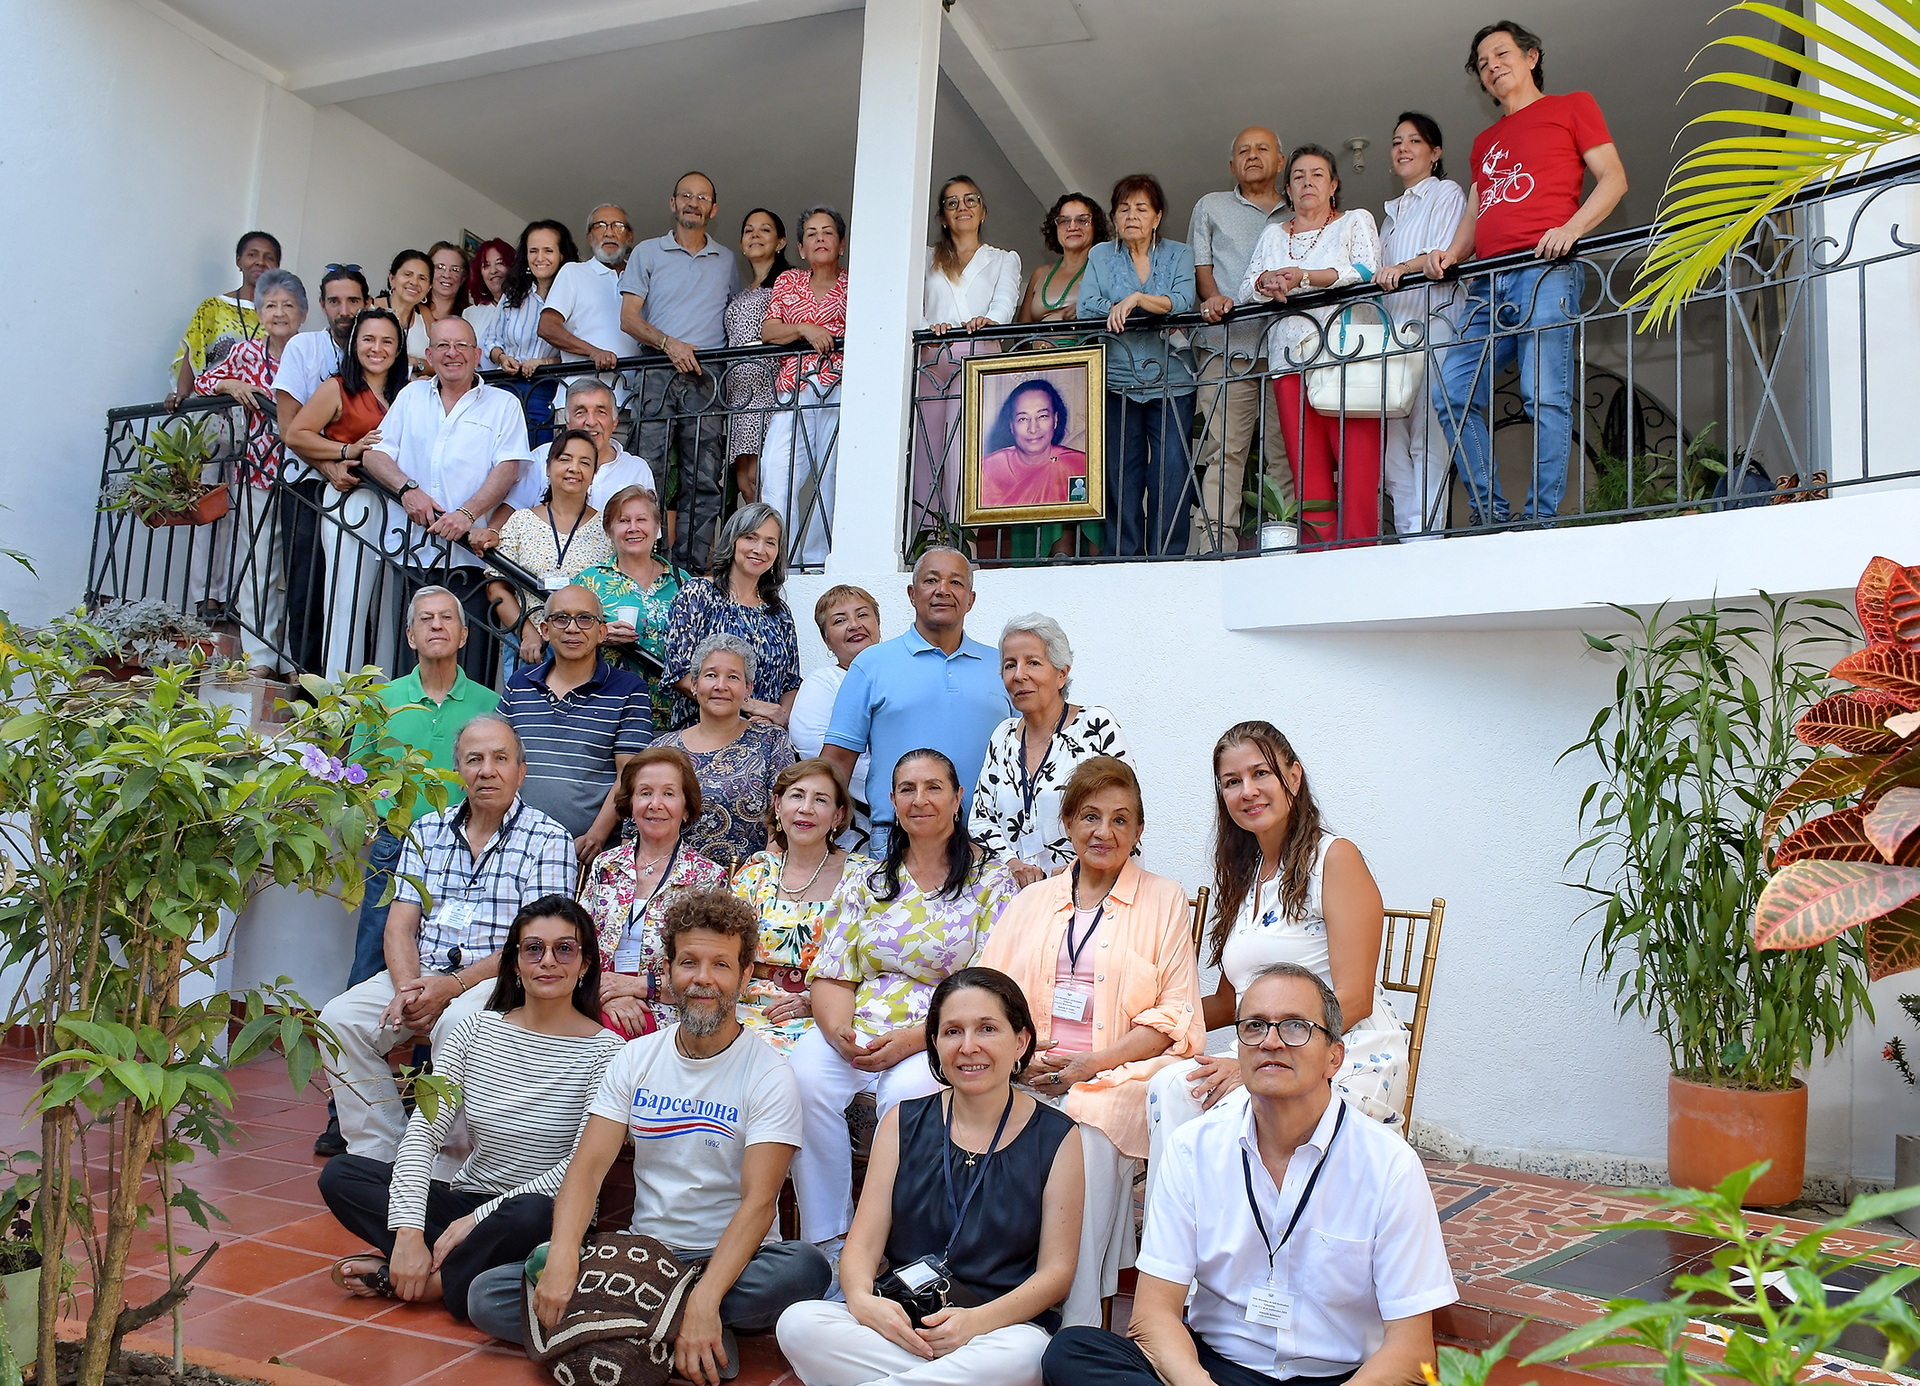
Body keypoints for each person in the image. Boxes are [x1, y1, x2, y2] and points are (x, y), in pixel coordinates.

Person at [1042, 963, 1458, 1386]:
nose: (1272, 1042)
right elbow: (1152, 1315)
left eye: (1295, 1027)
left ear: (1334, 1057)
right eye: (1255, 1026)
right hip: (1214, 1370)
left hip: (1337, 1378)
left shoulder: (1389, 1165)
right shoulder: (1193, 1148)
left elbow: (1411, 1351)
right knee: (1073, 1350)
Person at [480, 889, 832, 1381]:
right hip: (641, 1255)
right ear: (667, 969)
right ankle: (675, 1330)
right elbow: (586, 1170)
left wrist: (708, 1296)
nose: (703, 979)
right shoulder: (636, 1057)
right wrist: (562, 1256)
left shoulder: (769, 1074)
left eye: (721, 965)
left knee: (804, 1270)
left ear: (745, 975)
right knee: (487, 1294)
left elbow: (759, 1203)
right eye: (689, 962)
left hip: (729, 1263)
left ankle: (628, 1324)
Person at [320, 896, 623, 1320]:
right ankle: (447, 1264)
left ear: (586, 963)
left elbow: (578, 1167)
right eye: (533, 948)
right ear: (514, 962)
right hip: (466, 1199)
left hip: (544, 1213)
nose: (548, 961)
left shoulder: (609, 1054)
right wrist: (407, 1229)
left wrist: (479, 1220)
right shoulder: (474, 1030)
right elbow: (424, 1132)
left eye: (564, 949)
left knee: (531, 1216)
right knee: (342, 1174)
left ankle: (429, 1284)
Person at [777, 967, 1084, 1386]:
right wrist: (865, 1303)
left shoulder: (1057, 1136)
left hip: (994, 1330)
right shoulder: (903, 1122)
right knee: (797, 1323)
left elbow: (1056, 1273)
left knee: (1029, 1355)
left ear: (1021, 1041)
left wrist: (975, 1323)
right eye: (952, 1032)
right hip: (904, 1322)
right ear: (935, 1044)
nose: (968, 1046)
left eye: (987, 1029)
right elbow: (863, 1245)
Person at [982, 757, 1201, 1327]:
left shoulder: (1164, 898)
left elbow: (1176, 1013)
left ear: (1139, 830)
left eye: (1121, 820)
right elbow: (989, 993)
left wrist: (1091, 1064)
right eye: (1090, 817)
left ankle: (1076, 1327)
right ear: (1068, 822)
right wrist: (1016, 1060)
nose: (1105, 832)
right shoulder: (1032, 901)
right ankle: (990, 1294)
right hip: (1029, 1069)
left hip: (1117, 1074)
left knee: (1087, 1128)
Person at [1146, 721, 1410, 1177]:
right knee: (1172, 1084)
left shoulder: (1334, 858)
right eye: (1232, 782)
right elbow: (1230, 1003)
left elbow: (1355, 998)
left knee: (1237, 1107)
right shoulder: (1243, 879)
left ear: (1293, 776)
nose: (1247, 791)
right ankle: (1187, 1237)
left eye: (1260, 773)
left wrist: (1260, 1058)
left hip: (1342, 1046)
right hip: (1268, 1043)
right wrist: (1144, 1024)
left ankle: (1254, 1232)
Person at [787, 749, 1021, 1256]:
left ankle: (889, 1245)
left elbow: (988, 982)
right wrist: (837, 1034)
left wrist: (915, 1041)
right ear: (891, 800)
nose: (921, 800)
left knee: (912, 1097)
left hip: (942, 1035)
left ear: (958, 799)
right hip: (858, 1029)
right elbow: (831, 971)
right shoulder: (865, 879)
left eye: (934, 787)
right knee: (803, 1078)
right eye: (907, 789)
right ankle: (827, 1241)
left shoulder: (990, 881)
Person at [317, 717, 575, 1162]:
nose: (486, 770)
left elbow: (537, 945)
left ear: (522, 770)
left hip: (501, 980)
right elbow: (399, 925)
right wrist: (409, 989)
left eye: (500, 758)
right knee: (339, 1020)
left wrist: (452, 989)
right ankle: (379, 1153)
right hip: (422, 974)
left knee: (459, 1026)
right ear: (459, 770)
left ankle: (446, 1165)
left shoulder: (549, 839)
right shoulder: (426, 831)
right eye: (474, 760)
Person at [1423, 21, 1627, 526]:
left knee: (1544, 397)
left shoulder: (1571, 106)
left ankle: (1539, 519)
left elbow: (1615, 178)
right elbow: (1477, 211)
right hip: (1487, 283)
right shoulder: (1484, 141)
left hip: (1544, 270)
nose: (1492, 66)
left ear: (1531, 57)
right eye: (1483, 64)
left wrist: (1573, 228)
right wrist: (1451, 253)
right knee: (1450, 392)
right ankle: (1492, 513)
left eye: (1502, 54)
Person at [359, 314, 535, 684]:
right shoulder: (410, 396)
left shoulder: (502, 404)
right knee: (410, 658)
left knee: (466, 666)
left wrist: (468, 514)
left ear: (477, 354)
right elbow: (375, 454)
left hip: (470, 558)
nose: (452, 353)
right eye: (442, 346)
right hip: (410, 552)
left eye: (461, 346)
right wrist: (407, 490)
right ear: (429, 353)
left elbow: (509, 468)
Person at [1239, 145, 1387, 546]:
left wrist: (1304, 276)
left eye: (1318, 174)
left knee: (1357, 462)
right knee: (1307, 467)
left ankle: (1360, 550)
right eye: (1300, 176)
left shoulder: (1355, 221)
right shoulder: (1273, 234)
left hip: (1346, 355)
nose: (1308, 182)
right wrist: (1266, 284)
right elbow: (1245, 288)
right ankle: (1321, 554)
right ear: (1287, 188)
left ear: (1334, 185)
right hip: (1288, 359)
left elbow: (1365, 269)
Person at [822, 548, 1009, 857]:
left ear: (971, 599)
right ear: (911, 593)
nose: (943, 591)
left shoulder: (1002, 666)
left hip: (985, 841)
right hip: (897, 840)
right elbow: (836, 763)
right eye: (931, 580)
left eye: (956, 583)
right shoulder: (871, 664)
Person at [620, 172, 742, 570]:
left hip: (707, 377)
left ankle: (688, 571)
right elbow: (629, 319)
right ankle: (647, 561)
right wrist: (668, 344)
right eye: (686, 196)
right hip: (656, 370)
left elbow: (734, 319)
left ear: (714, 209)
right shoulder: (647, 252)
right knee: (647, 471)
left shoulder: (726, 260)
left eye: (702, 197)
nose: (693, 202)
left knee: (704, 477)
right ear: (673, 203)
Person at [190, 267, 307, 678]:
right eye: (270, 305)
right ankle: (260, 656)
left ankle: (293, 656)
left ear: (303, 314)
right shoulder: (246, 353)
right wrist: (231, 386)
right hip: (259, 470)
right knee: (258, 562)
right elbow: (204, 380)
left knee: (296, 568)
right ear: (259, 313)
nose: (279, 313)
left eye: (288, 305)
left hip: (304, 476)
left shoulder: (315, 354)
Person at [283, 307, 409, 678]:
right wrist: (344, 451)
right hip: (351, 504)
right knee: (346, 601)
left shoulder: (408, 393)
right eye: (368, 339)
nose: (377, 348)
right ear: (354, 343)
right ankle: (337, 701)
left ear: (399, 349)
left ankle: (382, 699)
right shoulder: (337, 387)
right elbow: (296, 434)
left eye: (387, 341)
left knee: (389, 608)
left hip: (395, 510)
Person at [1079, 174, 1198, 558]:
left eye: (1141, 208)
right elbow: (1087, 307)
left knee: (1170, 473)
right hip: (1116, 382)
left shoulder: (1179, 253)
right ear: (1114, 216)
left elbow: (1182, 301)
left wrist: (1136, 299)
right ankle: (1123, 557)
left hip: (1173, 381)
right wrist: (1123, 306)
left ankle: (1168, 556)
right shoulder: (1100, 255)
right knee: (1120, 474)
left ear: (1157, 217)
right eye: (1124, 208)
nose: (1132, 216)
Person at [969, 614, 1132, 886]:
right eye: (1010, 665)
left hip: (1086, 891)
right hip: (1016, 897)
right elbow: (979, 821)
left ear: (1061, 673)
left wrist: (1077, 870)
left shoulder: (1095, 727)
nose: (1019, 674)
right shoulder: (1003, 736)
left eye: (1033, 662)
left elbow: (1124, 816)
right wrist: (1013, 864)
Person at [1189, 127, 1293, 552]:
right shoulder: (1210, 206)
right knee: (1224, 452)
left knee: (1285, 453)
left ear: (1281, 161)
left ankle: (1284, 542)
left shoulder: (1298, 210)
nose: (1253, 156)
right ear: (1232, 164)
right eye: (1243, 151)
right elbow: (1202, 265)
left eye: (1262, 148)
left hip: (1285, 350)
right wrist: (1212, 297)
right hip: (1224, 348)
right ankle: (1217, 546)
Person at [581, 746, 730, 1037]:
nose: (655, 804)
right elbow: (577, 945)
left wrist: (639, 986)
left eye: (669, 794)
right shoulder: (606, 865)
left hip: (664, 1009)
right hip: (594, 995)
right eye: (645, 792)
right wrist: (604, 993)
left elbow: (712, 974)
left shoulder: (707, 879)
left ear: (686, 807)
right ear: (630, 803)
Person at [501, 583, 654, 864]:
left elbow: (629, 773)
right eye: (561, 618)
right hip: (514, 843)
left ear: (602, 632)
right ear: (545, 630)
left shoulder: (629, 690)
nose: (573, 628)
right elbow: (499, 759)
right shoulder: (519, 685)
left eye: (585, 618)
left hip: (586, 849)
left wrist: (596, 835)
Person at [731, 758, 870, 1053]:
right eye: (797, 795)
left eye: (820, 800)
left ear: (838, 815)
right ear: (778, 805)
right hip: (741, 1008)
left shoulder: (864, 878)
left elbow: (876, 963)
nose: (806, 808)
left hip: (822, 1019)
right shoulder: (756, 872)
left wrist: (814, 1003)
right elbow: (722, 950)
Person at [274, 265, 372, 677]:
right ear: (321, 306)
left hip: (363, 491)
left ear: (366, 304)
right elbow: (288, 427)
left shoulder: (375, 349)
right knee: (307, 583)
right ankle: (306, 676)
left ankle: (353, 678)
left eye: (352, 301)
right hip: (306, 484)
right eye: (335, 301)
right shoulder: (303, 348)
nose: (344, 310)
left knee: (354, 591)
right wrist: (329, 466)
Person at [1376, 114, 1470, 539]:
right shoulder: (1389, 216)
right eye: (1397, 142)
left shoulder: (1446, 193)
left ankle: (1425, 540)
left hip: (1434, 327)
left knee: (1428, 439)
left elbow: (1444, 253)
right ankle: (1410, 534)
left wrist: (1402, 267)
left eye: (1415, 141)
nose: (1403, 148)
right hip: (1394, 337)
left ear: (1435, 153)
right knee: (1390, 447)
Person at [914, 176, 1023, 532]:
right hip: (931, 358)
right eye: (952, 202)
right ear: (943, 216)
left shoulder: (1003, 259)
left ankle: (965, 536)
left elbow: (1005, 303)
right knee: (925, 450)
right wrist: (929, 324)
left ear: (983, 211)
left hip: (978, 360)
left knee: (967, 449)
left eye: (971, 199)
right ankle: (927, 534)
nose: (962, 207)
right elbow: (909, 306)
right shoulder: (925, 258)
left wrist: (988, 320)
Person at [654, 634, 798, 870]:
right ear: (694, 683)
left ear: (747, 688)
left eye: (733, 677)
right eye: (711, 675)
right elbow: (634, 826)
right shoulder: (662, 749)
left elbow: (784, 816)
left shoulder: (771, 740)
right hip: (670, 884)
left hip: (745, 885)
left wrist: (760, 879)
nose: (721, 686)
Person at [759, 205, 849, 568]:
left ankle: (815, 560)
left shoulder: (854, 285)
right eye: (811, 233)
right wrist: (804, 329)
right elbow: (769, 331)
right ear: (800, 247)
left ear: (840, 244)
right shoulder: (788, 281)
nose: (820, 239)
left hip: (841, 391)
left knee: (832, 478)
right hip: (794, 390)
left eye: (827, 232)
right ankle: (781, 560)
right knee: (777, 472)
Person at [661, 502, 803, 729]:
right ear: (732, 541)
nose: (759, 549)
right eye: (750, 538)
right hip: (703, 732)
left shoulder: (779, 612)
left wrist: (776, 717)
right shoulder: (698, 594)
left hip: (763, 735)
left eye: (770, 542)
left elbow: (790, 682)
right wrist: (750, 705)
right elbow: (679, 672)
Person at [480, 429, 613, 668]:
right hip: (531, 650)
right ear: (548, 468)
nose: (574, 468)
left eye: (585, 462)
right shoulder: (521, 522)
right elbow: (497, 588)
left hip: (586, 652)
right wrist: (527, 633)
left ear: (593, 474)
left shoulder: (607, 530)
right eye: (565, 459)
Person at [578, 483, 687, 724]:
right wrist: (600, 635)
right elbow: (564, 638)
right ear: (609, 530)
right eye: (624, 521)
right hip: (607, 711)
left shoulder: (683, 582)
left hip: (676, 715)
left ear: (657, 527)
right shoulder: (588, 581)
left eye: (642, 519)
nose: (633, 528)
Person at [788, 585, 878, 821]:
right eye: (840, 620)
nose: (854, 625)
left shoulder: (902, 675)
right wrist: (891, 787)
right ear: (827, 640)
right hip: (858, 819)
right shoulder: (822, 683)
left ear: (877, 625)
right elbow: (816, 750)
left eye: (862, 615)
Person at [722, 207, 793, 503]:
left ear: (780, 242)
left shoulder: (789, 283)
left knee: (763, 476)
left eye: (765, 229)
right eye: (749, 229)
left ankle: (772, 543)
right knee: (744, 480)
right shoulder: (738, 293)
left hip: (767, 387)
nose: (755, 234)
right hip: (739, 393)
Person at [484, 220, 575, 442]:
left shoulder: (575, 293)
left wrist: (543, 363)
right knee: (500, 450)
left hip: (548, 388)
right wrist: (503, 357)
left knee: (538, 454)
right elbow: (490, 339)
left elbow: (580, 348)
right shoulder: (514, 293)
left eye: (548, 251)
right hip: (508, 385)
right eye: (533, 251)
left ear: (562, 255)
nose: (539, 258)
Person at [539, 203, 640, 400]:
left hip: (631, 403)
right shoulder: (574, 272)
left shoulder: (642, 279)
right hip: (580, 402)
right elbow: (547, 327)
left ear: (629, 236)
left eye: (617, 226)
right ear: (589, 237)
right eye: (600, 226)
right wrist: (593, 352)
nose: (609, 233)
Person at [167, 230, 279, 407]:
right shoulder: (214, 307)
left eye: (269, 258)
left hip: (261, 412)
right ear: (238, 260)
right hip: (214, 406)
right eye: (252, 255)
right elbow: (194, 354)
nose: (260, 262)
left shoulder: (280, 315)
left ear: (277, 267)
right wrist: (180, 396)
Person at [977, 379, 1091, 509]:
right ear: (1011, 425)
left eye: (1042, 416)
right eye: (1023, 419)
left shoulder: (1079, 465)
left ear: (1055, 420)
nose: (1033, 429)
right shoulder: (987, 469)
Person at [563, 376, 656, 511]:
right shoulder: (542, 460)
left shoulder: (636, 469)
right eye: (580, 413)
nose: (591, 421)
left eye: (600, 412)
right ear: (568, 423)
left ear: (614, 423)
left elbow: (649, 528)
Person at [1018, 194, 1107, 326]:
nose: (1072, 227)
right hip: (1038, 346)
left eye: (1082, 220)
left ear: (1096, 226)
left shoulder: (1105, 270)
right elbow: (1019, 335)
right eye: (1064, 221)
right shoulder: (1040, 274)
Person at [375, 249, 435, 371]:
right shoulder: (370, 308)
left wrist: (415, 363)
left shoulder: (425, 315)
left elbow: (438, 363)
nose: (414, 282)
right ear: (392, 279)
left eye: (422, 278)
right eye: (407, 274)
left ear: (429, 287)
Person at [462, 237, 514, 346]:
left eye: (500, 263)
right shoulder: (470, 314)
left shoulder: (527, 306)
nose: (493, 270)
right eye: (486, 265)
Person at [426, 241, 473, 328]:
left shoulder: (472, 316)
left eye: (455, 269)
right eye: (440, 267)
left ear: (463, 278)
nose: (447, 275)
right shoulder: (413, 310)